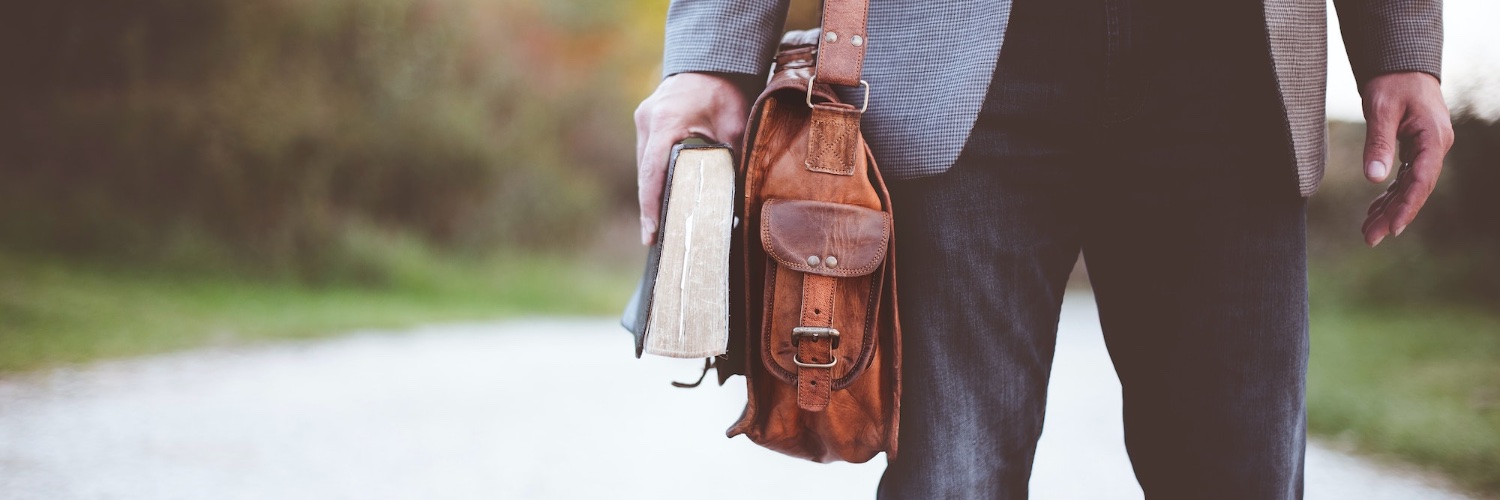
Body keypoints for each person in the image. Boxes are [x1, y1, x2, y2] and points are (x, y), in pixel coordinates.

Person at [633, 0, 1453, 498]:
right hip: (963, 62)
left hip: (1230, 66)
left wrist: (1401, 40)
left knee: (1242, 479)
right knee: (953, 479)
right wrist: (712, 53)